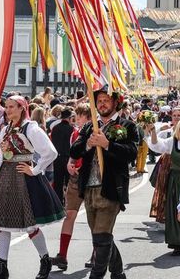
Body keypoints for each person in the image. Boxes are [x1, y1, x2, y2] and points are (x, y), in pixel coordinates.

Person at [0, 95, 64, 279]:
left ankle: (45, 261)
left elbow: (51, 152)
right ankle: (2, 267)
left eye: (12, 106)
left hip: (24, 178)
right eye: (7, 106)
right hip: (5, 178)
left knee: (30, 225)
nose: (8, 109)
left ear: (22, 108)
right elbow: (3, 156)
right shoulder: (5, 128)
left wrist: (35, 170)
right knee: (1, 223)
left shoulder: (31, 128)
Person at [69, 88, 138, 279]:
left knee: (101, 236)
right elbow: (74, 151)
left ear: (115, 103)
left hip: (110, 188)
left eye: (106, 100)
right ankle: (117, 272)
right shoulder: (90, 126)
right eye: (99, 101)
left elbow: (131, 153)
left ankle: (96, 275)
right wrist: (89, 144)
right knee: (101, 237)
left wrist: (107, 144)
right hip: (89, 188)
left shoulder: (127, 126)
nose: (102, 104)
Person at [146, 117, 180, 255]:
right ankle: (177, 244)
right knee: (176, 210)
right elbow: (157, 145)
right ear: (179, 129)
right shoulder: (172, 142)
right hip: (175, 182)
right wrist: (153, 131)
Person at [52, 103, 91, 271]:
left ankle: (97, 254)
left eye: (81, 116)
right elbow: (72, 154)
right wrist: (71, 164)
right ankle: (62, 255)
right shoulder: (75, 132)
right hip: (76, 178)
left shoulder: (96, 132)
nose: (78, 119)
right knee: (69, 214)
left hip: (91, 179)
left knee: (94, 220)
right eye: (78, 116)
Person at [50, 107, 75, 205]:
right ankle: (69, 202)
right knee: (69, 181)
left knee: (58, 182)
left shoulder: (55, 128)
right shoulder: (72, 129)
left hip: (57, 157)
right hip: (68, 158)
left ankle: (58, 203)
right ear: (69, 118)